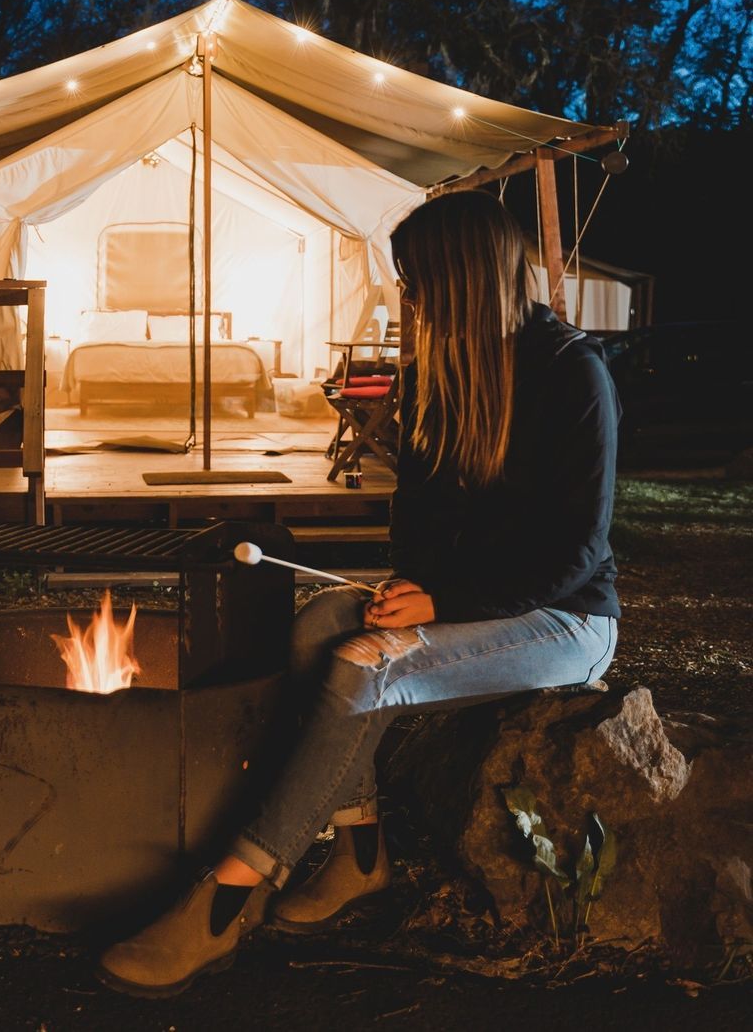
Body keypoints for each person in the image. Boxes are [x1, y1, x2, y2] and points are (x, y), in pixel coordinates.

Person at [98, 191, 621, 997]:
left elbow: (575, 549)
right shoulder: (440, 376)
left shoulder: (570, 374)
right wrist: (410, 584)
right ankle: (359, 859)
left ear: (463, 280)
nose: (406, 300)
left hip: (565, 619)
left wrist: (442, 602)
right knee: (321, 629)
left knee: (364, 665)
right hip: (477, 601)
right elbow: (418, 525)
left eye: (416, 283)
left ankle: (230, 895)